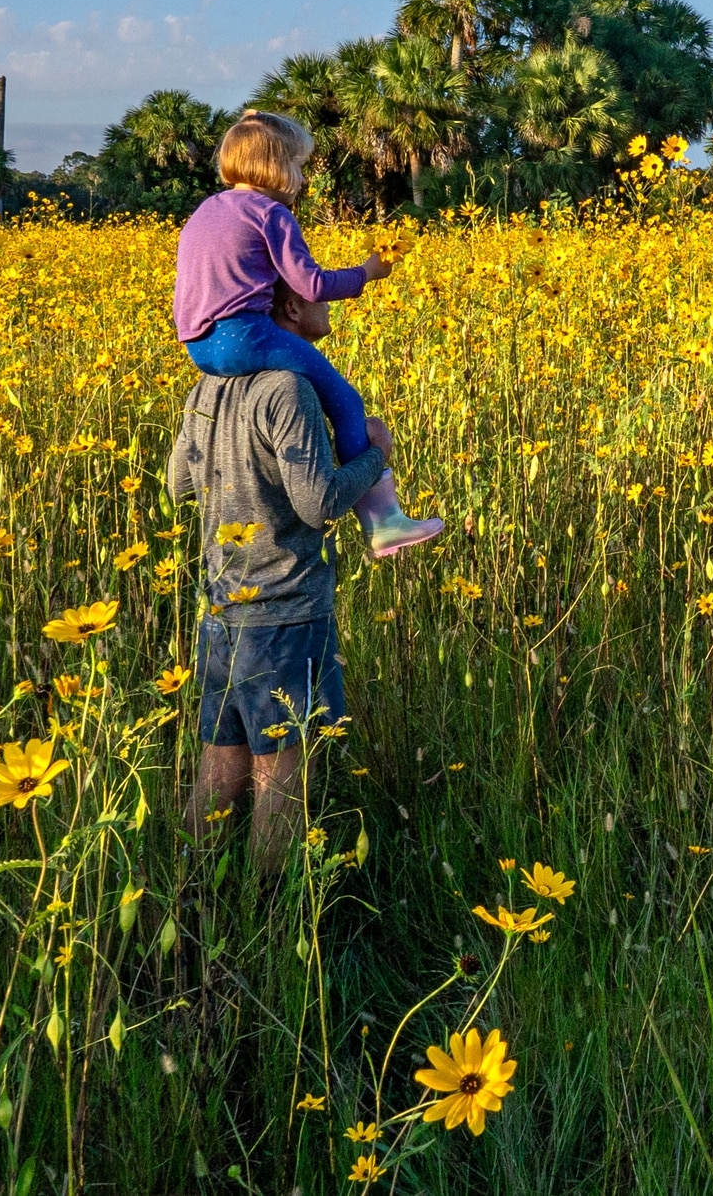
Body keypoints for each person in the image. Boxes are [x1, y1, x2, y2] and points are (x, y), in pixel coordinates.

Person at [168, 280, 390, 871]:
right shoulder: (289, 388)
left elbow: (177, 486)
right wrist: (374, 457)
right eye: (319, 291)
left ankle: (192, 907)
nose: (329, 302)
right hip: (285, 609)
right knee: (281, 781)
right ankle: (269, 927)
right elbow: (318, 503)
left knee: (220, 767)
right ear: (289, 305)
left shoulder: (207, 386)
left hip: (222, 610)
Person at [173, 111, 440, 555]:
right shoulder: (270, 213)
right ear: (275, 165)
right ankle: (384, 520)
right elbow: (310, 284)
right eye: (298, 164)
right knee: (345, 400)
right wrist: (367, 273)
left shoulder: (206, 210)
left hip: (199, 346)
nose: (301, 177)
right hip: (244, 335)